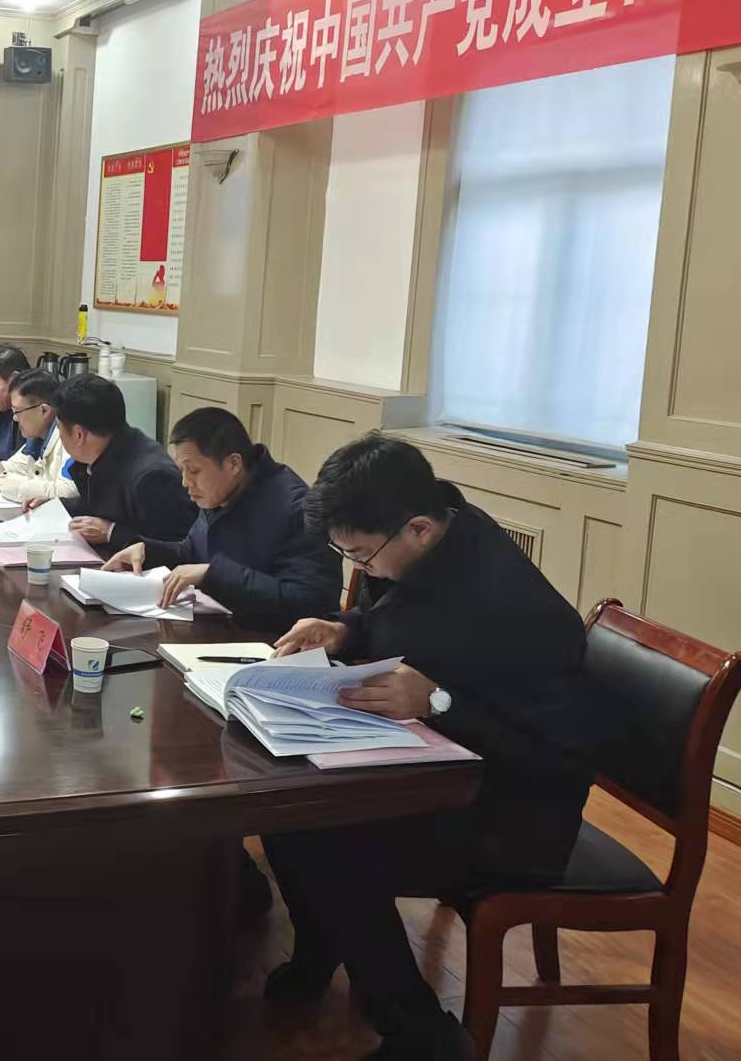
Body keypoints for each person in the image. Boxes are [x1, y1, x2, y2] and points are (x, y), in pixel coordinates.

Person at [260, 434, 594, 1061]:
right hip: (437, 771)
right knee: (288, 814)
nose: (357, 568)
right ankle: (319, 951)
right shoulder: (434, 537)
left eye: (360, 554)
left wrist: (439, 701)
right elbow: (395, 620)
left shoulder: (517, 608)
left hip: (515, 814)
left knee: (334, 848)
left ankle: (421, 1035)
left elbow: (553, 753)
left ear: (417, 528)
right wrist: (344, 629)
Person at [102, 407, 341, 627]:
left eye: (193, 471)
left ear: (234, 463)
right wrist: (148, 551)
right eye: (182, 471)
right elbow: (193, 552)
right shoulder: (221, 491)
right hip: (222, 627)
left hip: (270, 642)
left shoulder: (296, 509)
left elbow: (310, 603)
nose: (185, 482)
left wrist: (212, 575)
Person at [49, 374, 196, 550]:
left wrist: (112, 532)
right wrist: (54, 505)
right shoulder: (109, 449)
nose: (59, 434)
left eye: (59, 427)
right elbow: (97, 504)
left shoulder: (153, 476)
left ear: (78, 435)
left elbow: (179, 547)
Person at [0, 367, 75, 503]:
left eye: (17, 411)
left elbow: (67, 492)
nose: (15, 418)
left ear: (44, 410)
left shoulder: (69, 438)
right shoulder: (36, 437)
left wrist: (0, 479)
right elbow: (17, 467)